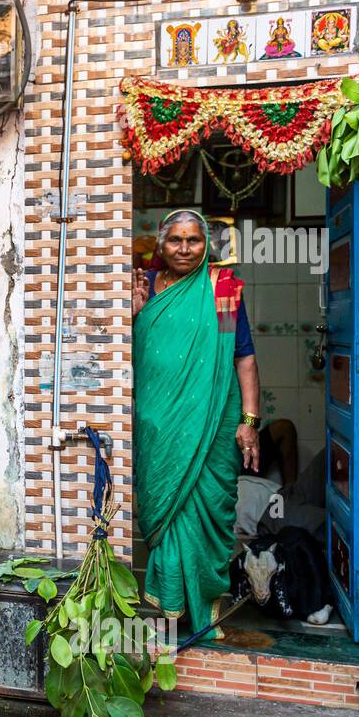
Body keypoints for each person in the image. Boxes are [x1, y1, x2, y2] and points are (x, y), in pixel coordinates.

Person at [131, 210, 262, 640]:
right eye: (176, 241)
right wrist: (132, 315)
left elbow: (242, 355)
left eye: (193, 240)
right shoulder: (143, 289)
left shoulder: (221, 291)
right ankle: (168, 612)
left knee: (210, 512)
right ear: (160, 244)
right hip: (159, 427)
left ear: (206, 244)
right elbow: (124, 349)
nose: (185, 249)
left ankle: (206, 613)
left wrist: (249, 419)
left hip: (213, 425)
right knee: (166, 511)